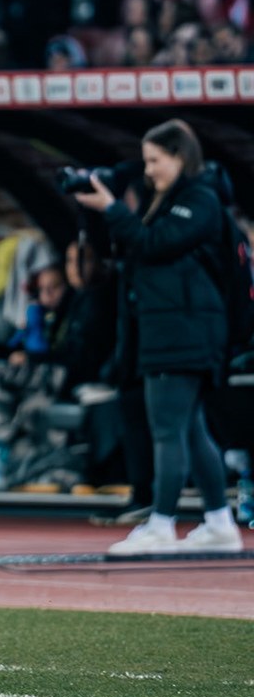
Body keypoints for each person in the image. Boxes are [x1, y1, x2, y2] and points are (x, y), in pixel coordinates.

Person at [74, 121, 242, 555]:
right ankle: (220, 522)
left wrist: (114, 207)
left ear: (180, 156)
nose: (149, 171)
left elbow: (154, 243)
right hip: (173, 330)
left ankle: (162, 523)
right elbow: (129, 249)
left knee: (167, 429)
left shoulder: (200, 199)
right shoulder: (166, 200)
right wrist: (103, 211)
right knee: (189, 430)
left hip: (183, 332)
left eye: (155, 160)